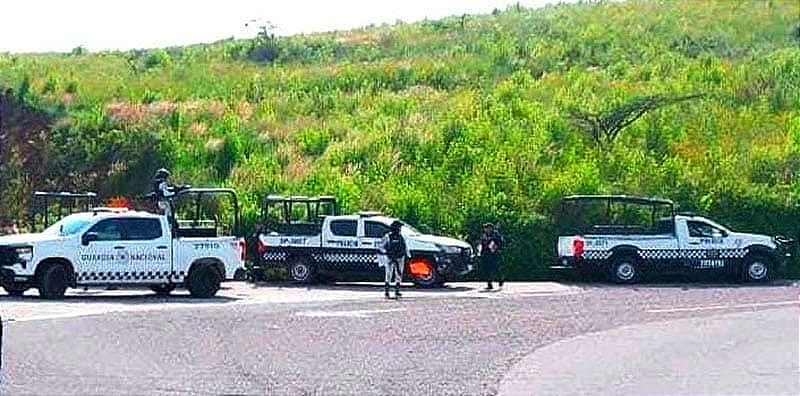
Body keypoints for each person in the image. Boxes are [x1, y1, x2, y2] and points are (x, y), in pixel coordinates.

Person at [379, 220, 407, 299]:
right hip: (390, 258)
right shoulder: (388, 236)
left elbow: (404, 247)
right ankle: (387, 292)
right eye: (399, 227)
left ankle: (397, 291)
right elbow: (381, 247)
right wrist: (388, 254)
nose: (400, 229)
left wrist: (406, 255)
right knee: (388, 274)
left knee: (399, 274)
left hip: (400, 258)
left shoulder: (400, 236)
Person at [479, 222, 505, 290]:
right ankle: (489, 284)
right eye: (485, 228)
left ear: (491, 228)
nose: (486, 229)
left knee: (496, 268)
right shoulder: (484, 236)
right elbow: (482, 245)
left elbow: (501, 244)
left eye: (488, 228)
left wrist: (498, 249)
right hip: (486, 255)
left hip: (495, 255)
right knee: (487, 270)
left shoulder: (496, 235)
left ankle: (500, 280)